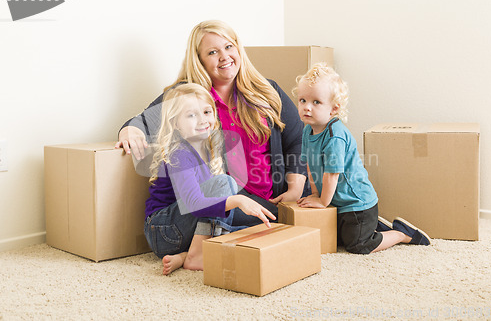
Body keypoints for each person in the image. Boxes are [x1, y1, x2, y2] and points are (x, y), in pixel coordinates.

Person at [115, 20, 307, 227]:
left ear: (238, 48)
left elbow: (297, 139)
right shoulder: (188, 96)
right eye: (212, 52)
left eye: (228, 47)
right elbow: (143, 121)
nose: (224, 57)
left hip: (271, 197)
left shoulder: (268, 90)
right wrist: (130, 129)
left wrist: (295, 188)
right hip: (224, 200)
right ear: (200, 60)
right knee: (272, 223)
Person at [295, 63, 431, 254]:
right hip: (337, 201)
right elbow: (310, 164)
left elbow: (332, 174)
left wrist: (322, 202)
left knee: (358, 245)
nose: (307, 108)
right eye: (302, 100)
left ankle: (401, 233)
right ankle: (376, 225)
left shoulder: (335, 136)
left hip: (355, 203)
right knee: (336, 240)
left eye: (316, 102)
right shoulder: (308, 130)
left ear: (334, 109)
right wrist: (317, 194)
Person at [146, 83, 275, 275]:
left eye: (207, 112)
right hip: (164, 231)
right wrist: (238, 200)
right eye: (191, 115)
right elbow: (194, 204)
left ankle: (185, 255)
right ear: (175, 123)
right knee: (225, 184)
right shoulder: (179, 153)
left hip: (185, 230)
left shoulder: (207, 147)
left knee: (256, 226)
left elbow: (211, 214)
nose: (202, 120)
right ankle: (197, 255)